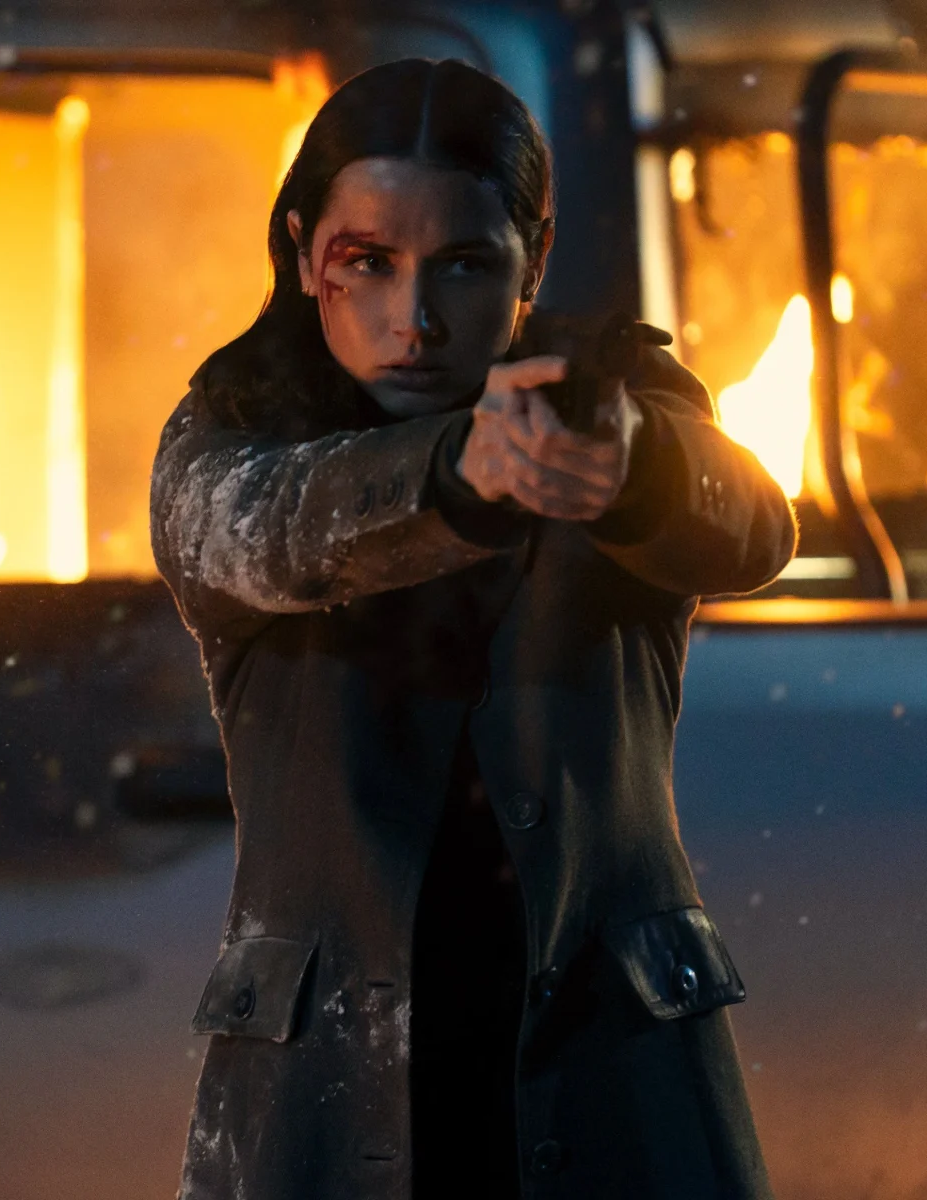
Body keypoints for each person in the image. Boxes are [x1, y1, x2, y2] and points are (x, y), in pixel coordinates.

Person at [150, 57, 795, 1200]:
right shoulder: (239, 428)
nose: (416, 320)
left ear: (532, 260)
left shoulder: (618, 403)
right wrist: (457, 474)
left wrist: (633, 469)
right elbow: (250, 531)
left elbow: (749, 523)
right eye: (369, 263)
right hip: (328, 1092)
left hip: (610, 1085)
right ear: (304, 252)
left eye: (464, 264)